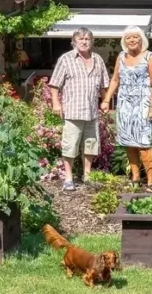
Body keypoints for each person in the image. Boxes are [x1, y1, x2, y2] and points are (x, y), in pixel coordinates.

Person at [101, 26, 152, 192]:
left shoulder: (149, 57)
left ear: (141, 39)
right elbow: (115, 80)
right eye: (129, 38)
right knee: (129, 142)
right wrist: (106, 100)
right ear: (124, 41)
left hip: (143, 105)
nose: (132, 40)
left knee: (144, 144)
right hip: (125, 106)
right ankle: (135, 177)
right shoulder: (121, 57)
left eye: (135, 37)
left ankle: (150, 181)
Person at [49, 27, 109, 192]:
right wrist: (56, 103)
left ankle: (87, 176)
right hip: (73, 111)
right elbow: (55, 84)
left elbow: (104, 84)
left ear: (92, 42)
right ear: (74, 41)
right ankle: (69, 178)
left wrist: (106, 100)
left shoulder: (98, 60)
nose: (84, 42)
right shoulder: (66, 59)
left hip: (91, 112)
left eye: (87, 39)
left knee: (90, 144)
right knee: (70, 145)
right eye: (80, 39)